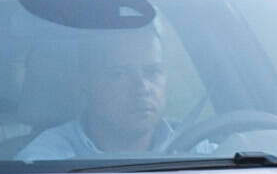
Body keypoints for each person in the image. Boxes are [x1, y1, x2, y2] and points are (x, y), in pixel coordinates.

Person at [16, 31, 176, 161]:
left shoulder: (197, 150)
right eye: (119, 74)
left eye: (153, 71)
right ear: (85, 84)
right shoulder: (41, 166)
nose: (142, 87)